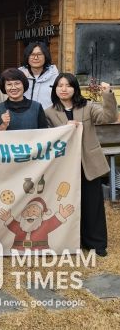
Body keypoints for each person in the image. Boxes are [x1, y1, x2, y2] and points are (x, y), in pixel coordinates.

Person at [45, 73, 118, 257]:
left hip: (88, 163)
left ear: (75, 88)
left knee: (92, 204)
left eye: (68, 85)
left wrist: (108, 94)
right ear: (55, 89)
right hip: (64, 166)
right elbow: (47, 136)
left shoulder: (88, 106)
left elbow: (108, 117)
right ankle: (73, 241)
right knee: (67, 204)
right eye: (59, 85)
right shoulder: (49, 112)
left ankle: (96, 244)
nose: (63, 89)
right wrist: (64, 128)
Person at [18, 41, 59, 110]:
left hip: (47, 116)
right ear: (27, 57)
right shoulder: (18, 76)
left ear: (45, 56)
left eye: (39, 54)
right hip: (22, 115)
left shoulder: (56, 77)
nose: (36, 58)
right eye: (32, 54)